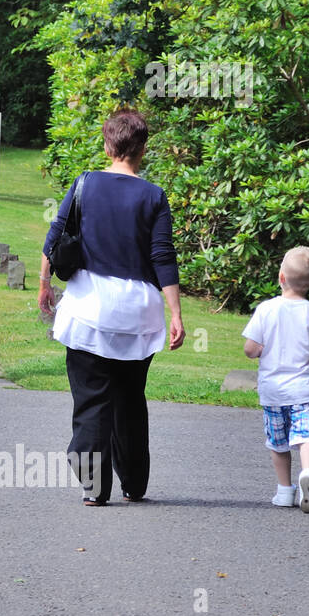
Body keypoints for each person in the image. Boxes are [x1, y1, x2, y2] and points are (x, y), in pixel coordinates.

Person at [38, 109, 185, 506]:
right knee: (130, 399)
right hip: (138, 314)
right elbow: (162, 256)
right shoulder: (154, 195)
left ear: (108, 144)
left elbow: (55, 238)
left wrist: (44, 285)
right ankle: (134, 481)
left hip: (89, 309)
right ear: (142, 149)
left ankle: (94, 486)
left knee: (91, 399)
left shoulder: (85, 183)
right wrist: (176, 314)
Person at [242, 247, 309, 512]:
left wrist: (259, 350)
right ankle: (308, 474)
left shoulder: (266, 309)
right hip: (304, 391)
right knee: (307, 436)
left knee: (278, 444)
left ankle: (284, 491)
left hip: (272, 392)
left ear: (281, 277)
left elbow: (250, 349)